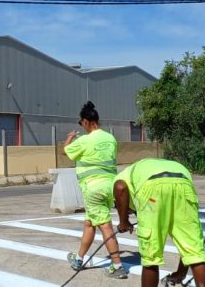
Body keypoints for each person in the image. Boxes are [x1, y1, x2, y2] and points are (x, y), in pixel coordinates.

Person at [114, 158, 205, 287]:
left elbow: (120, 187)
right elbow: (187, 251)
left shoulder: (120, 178)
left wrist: (123, 221)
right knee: (194, 252)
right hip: (183, 182)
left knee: (151, 257)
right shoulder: (135, 171)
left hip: (152, 190)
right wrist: (180, 274)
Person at [63, 101, 128, 279]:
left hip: (93, 188)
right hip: (111, 186)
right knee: (90, 223)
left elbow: (65, 151)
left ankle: (118, 266)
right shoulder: (110, 139)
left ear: (85, 121)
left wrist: (70, 137)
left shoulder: (84, 140)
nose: (81, 126)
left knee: (105, 225)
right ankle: (78, 259)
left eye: (81, 123)